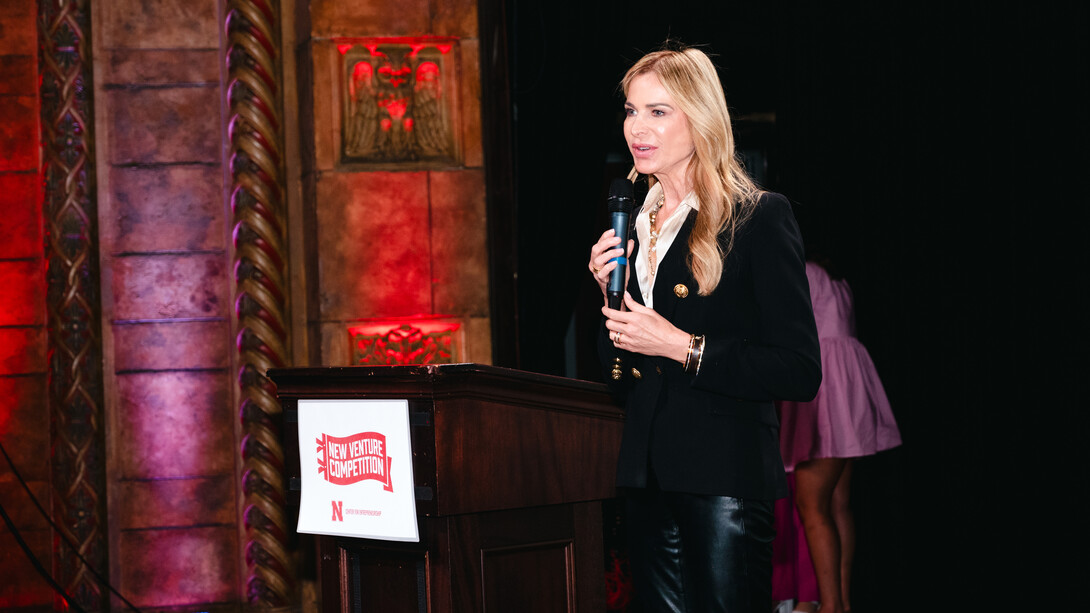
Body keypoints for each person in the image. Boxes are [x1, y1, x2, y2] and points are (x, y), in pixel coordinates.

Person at [587, 45, 822, 613]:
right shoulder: (632, 224)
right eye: (630, 111)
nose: (636, 128)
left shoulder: (758, 217)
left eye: (658, 112)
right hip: (647, 480)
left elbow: (799, 369)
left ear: (701, 118)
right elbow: (620, 377)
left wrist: (683, 346)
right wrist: (608, 298)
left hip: (725, 482)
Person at [773, 257, 902, 613]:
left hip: (825, 397)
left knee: (812, 505)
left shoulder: (805, 273)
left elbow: (788, 332)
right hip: (847, 396)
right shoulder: (838, 279)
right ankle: (841, 602)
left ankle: (830, 605)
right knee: (838, 505)